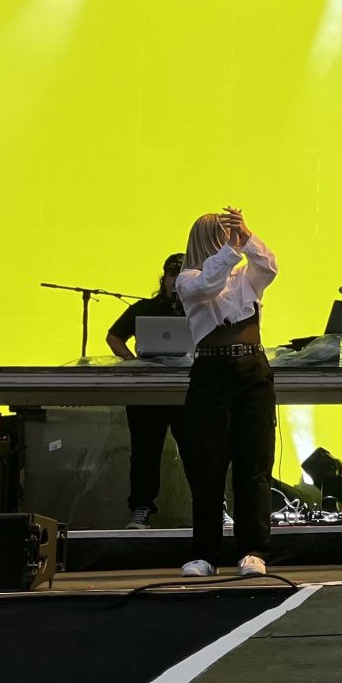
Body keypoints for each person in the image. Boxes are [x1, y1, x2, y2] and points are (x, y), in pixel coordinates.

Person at [175, 208, 278, 578]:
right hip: (212, 373)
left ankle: (253, 550)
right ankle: (205, 554)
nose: (230, 240)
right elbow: (208, 285)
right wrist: (231, 251)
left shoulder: (244, 276)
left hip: (253, 370)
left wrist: (248, 236)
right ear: (209, 239)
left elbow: (269, 266)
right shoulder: (188, 279)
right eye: (224, 234)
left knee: (254, 463)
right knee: (208, 466)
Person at [105, 253, 187, 529]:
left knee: (200, 450)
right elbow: (114, 336)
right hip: (148, 389)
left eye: (182, 275)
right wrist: (133, 363)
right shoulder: (144, 308)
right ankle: (141, 508)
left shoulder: (202, 308)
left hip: (189, 389)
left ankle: (214, 506)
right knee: (144, 451)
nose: (176, 281)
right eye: (172, 275)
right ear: (163, 279)